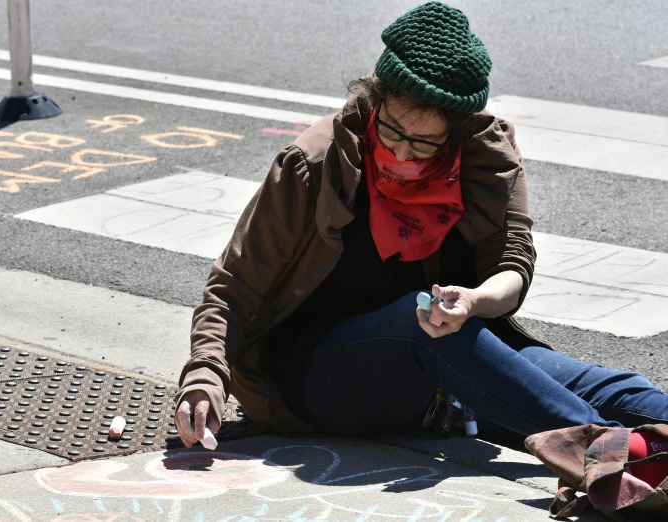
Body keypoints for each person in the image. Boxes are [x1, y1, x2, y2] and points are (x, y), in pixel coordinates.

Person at [174, 1, 668, 448]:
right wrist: (204, 376)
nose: (403, 153)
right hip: (319, 377)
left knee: (620, 390)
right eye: (391, 131)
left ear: (456, 133)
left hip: (453, 361)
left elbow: (512, 264)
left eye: (425, 143)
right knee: (424, 321)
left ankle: (623, 440)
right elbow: (234, 287)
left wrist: (474, 301)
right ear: (377, 99)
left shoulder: (486, 159)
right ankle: (613, 454)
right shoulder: (314, 163)